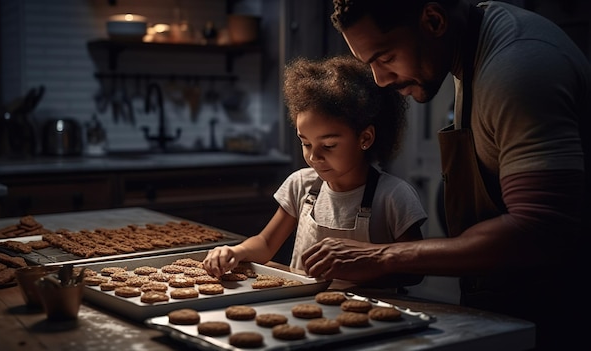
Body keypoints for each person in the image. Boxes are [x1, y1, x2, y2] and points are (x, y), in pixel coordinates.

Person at [301, 1, 591, 349]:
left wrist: (381, 256)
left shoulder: (517, 66)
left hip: (562, 318)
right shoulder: (470, 54)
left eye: (386, 56)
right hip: (517, 308)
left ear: (434, 20)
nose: (380, 79)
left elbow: (541, 228)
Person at [203, 55, 427, 289]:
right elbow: (266, 243)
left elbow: (414, 272)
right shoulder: (300, 185)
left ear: (365, 138)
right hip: (304, 308)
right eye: (306, 143)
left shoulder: (393, 196)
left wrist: (369, 268)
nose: (314, 157)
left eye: (328, 145)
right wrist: (234, 251)